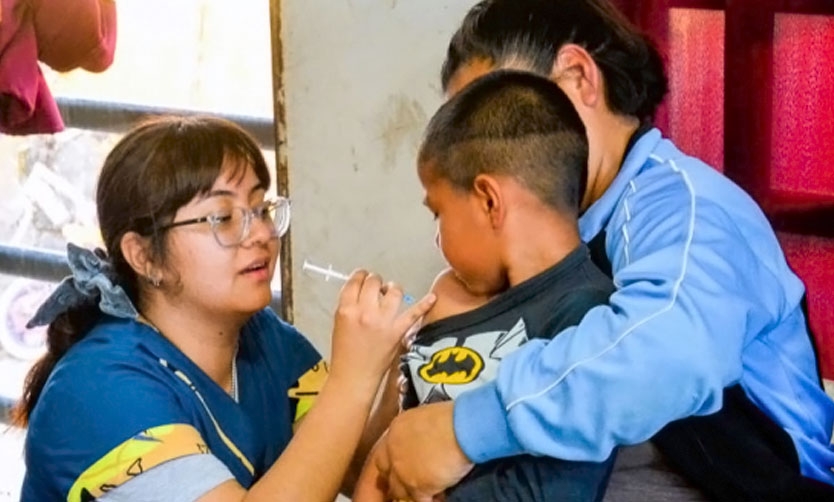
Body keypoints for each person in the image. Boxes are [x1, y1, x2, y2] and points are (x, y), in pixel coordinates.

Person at [363, 1, 834, 500]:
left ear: (577, 77)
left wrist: (467, 428)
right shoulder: (561, 236)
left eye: (496, 114)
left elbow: (669, 359)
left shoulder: (684, 205)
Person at [12, 115, 435, 502]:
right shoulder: (99, 389)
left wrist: (394, 365)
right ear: (144, 257)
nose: (261, 234)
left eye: (261, 209)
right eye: (222, 218)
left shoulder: (268, 340)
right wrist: (353, 378)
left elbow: (352, 468)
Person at [358, 70, 617, 501]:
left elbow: (553, 491)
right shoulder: (449, 300)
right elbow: (386, 456)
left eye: (438, 212)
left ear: (489, 201)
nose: (437, 239)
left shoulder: (589, 320)